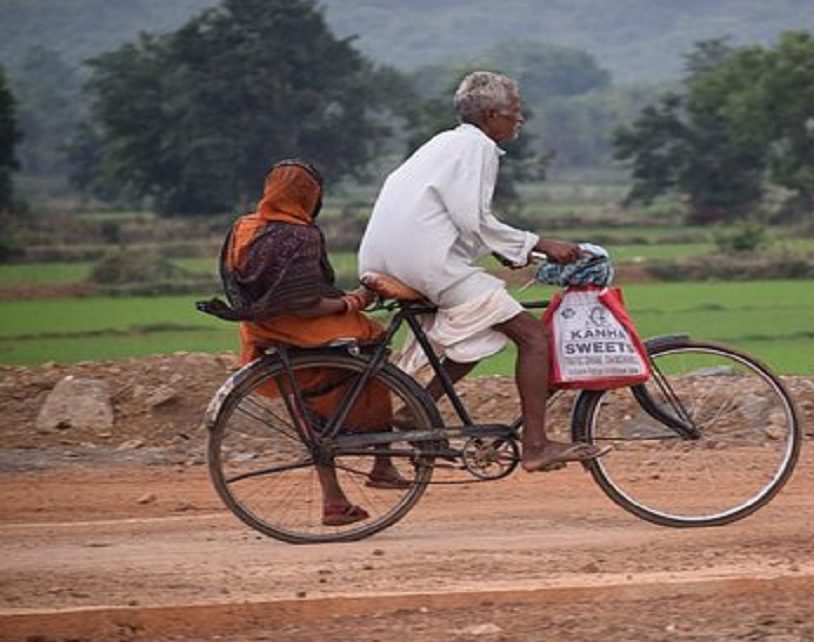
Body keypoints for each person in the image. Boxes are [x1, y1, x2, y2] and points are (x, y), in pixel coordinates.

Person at [358, 71, 608, 472]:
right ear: (491, 115)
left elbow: (448, 219)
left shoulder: (446, 143)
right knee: (534, 336)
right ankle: (536, 445)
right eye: (514, 112)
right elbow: (473, 217)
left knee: (484, 326)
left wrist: (510, 252)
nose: (519, 120)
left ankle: (411, 417)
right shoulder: (477, 148)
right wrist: (539, 244)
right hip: (424, 263)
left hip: (389, 256)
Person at [201, 159, 407, 527]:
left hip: (262, 329)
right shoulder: (298, 235)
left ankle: (334, 499)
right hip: (302, 326)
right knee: (375, 344)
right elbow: (308, 303)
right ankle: (382, 461)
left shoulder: (244, 227)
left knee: (305, 395)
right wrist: (355, 300)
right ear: (309, 195)